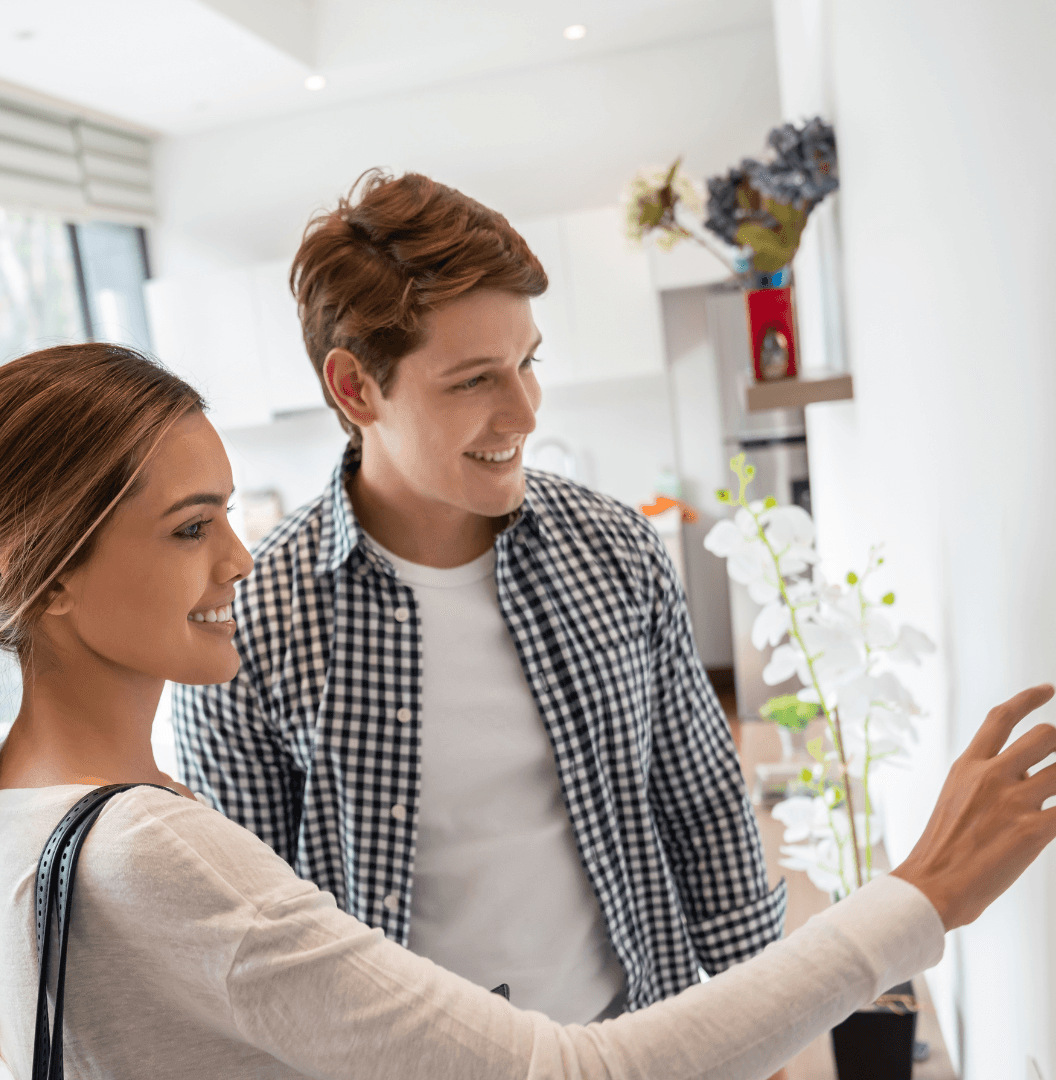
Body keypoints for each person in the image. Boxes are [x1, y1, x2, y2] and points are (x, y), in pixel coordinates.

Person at [0, 342, 1056, 1080]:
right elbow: (576, 1072)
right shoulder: (152, 854)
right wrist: (918, 896)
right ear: (50, 574)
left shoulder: (10, 811)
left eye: (227, 511)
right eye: (189, 528)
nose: (237, 561)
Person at [171, 170, 778, 1022]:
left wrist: (769, 1020)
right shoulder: (252, 621)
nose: (525, 411)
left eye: (527, 363)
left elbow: (700, 798)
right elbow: (253, 933)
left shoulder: (614, 549)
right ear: (354, 388)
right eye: (473, 380)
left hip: (632, 1035)